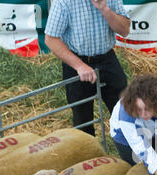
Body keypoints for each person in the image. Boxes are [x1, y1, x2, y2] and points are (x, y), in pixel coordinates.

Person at [45, 0, 130, 136]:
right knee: (82, 120)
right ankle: (89, 153)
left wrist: (105, 9)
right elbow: (50, 39)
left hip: (107, 59)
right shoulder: (64, 2)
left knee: (126, 111)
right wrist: (79, 66)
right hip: (77, 62)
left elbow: (125, 30)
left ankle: (132, 151)